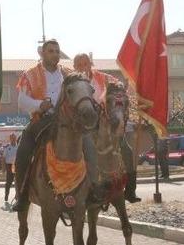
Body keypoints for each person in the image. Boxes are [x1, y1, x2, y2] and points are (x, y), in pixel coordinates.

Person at [11, 39, 74, 212]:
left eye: (57, 51)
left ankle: (92, 188)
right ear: (42, 53)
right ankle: (22, 195)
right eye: (51, 51)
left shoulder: (69, 74)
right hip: (42, 120)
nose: (55, 54)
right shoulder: (30, 74)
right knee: (23, 151)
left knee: (89, 144)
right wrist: (40, 105)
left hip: (68, 121)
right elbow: (22, 101)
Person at [73, 52, 140, 202]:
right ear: (74, 67)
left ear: (91, 64)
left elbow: (118, 85)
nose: (83, 67)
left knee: (127, 150)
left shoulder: (102, 77)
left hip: (105, 124)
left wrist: (121, 86)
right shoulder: (73, 81)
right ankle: (80, 190)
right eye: (79, 64)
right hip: (84, 126)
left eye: (86, 63)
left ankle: (130, 190)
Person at [3, 134, 18, 208]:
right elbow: (3, 157)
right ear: (10, 139)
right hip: (9, 166)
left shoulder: (18, 147)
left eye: (14, 138)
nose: (13, 139)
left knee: (17, 182)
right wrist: (3, 168)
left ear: (16, 139)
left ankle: (17, 196)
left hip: (16, 166)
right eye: (11, 138)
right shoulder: (7, 147)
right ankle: (6, 195)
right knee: (8, 182)